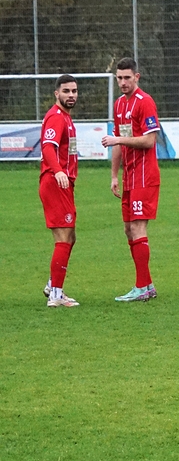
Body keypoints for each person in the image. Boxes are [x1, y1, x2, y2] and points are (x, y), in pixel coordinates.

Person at [100, 58, 161, 302]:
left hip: (145, 175)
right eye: (119, 78)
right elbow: (117, 142)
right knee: (128, 229)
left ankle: (142, 287)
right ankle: (147, 284)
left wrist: (118, 140)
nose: (123, 82)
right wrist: (114, 175)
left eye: (127, 77)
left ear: (137, 77)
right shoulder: (119, 105)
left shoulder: (145, 102)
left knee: (138, 228)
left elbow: (149, 140)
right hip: (130, 177)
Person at [39, 75, 81, 308]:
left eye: (74, 91)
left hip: (64, 184)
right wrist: (57, 171)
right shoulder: (56, 117)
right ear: (57, 93)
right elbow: (48, 147)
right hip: (55, 183)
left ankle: (52, 284)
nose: (71, 95)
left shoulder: (66, 117)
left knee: (70, 236)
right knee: (63, 237)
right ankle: (56, 294)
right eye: (66, 91)